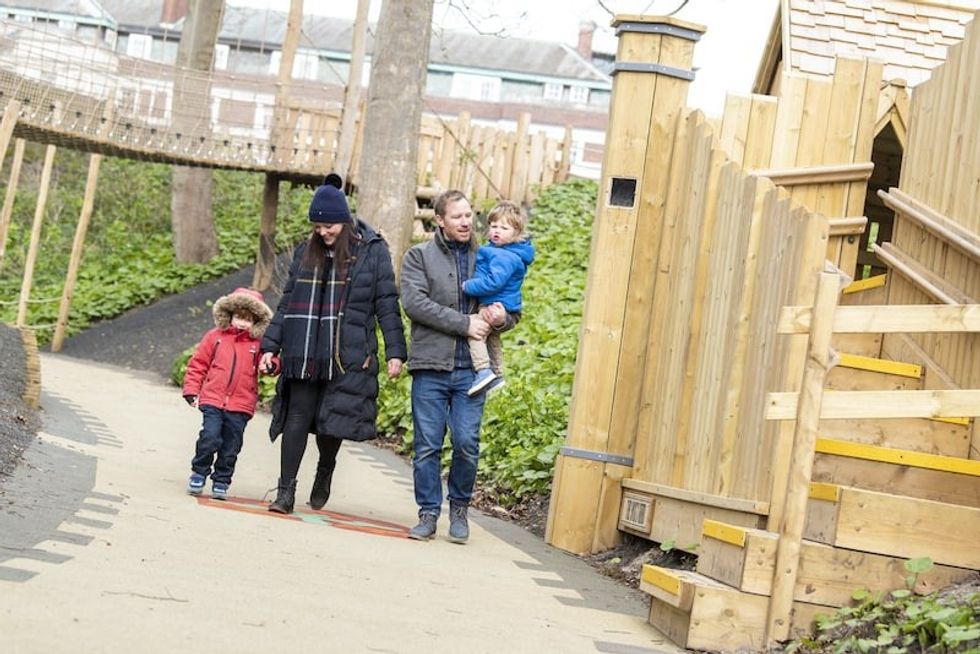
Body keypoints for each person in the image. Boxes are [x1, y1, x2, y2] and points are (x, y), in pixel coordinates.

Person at [259, 174, 406, 514]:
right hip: (304, 349)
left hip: (346, 352)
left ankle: (325, 469)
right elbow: (287, 302)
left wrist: (396, 351)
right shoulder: (304, 252)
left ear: (344, 221)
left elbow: (386, 302)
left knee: (332, 421)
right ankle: (285, 491)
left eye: (329, 227)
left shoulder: (372, 252)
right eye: (317, 227)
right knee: (297, 415)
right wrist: (271, 346)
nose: (322, 232)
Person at [400, 189, 517, 543]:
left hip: (472, 371)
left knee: (466, 442)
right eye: (457, 217)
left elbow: (512, 306)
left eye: (469, 215)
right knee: (427, 445)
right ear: (440, 220)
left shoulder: (490, 256)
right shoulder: (418, 257)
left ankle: (460, 507)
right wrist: (463, 323)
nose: (466, 222)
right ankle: (428, 512)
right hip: (430, 365)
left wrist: (502, 319)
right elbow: (415, 304)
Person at [183, 287, 275, 500]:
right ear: (229, 315)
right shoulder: (215, 337)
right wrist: (191, 390)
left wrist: (270, 365)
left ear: (256, 322)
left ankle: (222, 480)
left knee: (231, 445)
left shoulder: (258, 344)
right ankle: (199, 472)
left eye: (248, 319)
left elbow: (271, 362)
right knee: (209, 437)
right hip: (213, 399)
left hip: (241, 403)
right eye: (239, 317)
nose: (242, 323)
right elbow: (198, 364)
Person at [461, 201, 534, 396]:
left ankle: (483, 370)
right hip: (504, 305)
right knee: (492, 338)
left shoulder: (504, 256)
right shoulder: (504, 250)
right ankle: (498, 375)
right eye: (493, 226)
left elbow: (494, 282)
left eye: (504, 228)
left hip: (498, 305)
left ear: (516, 232)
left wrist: (467, 286)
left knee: (475, 329)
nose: (497, 231)